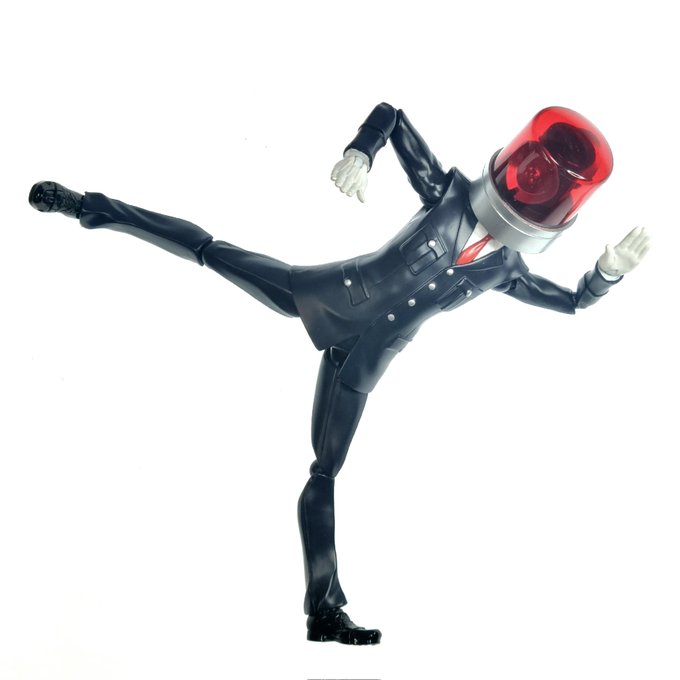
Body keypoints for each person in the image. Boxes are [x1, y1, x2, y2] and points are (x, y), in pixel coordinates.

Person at [27, 102, 650, 645]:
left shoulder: (505, 269)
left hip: (366, 359)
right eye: (536, 171)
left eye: (551, 187)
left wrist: (608, 273)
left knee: (324, 471)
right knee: (212, 251)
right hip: (329, 295)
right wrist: (362, 151)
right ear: (519, 163)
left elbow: (572, 302)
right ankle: (88, 207)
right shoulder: (450, 194)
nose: (538, 184)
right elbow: (394, 116)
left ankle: (324, 610)